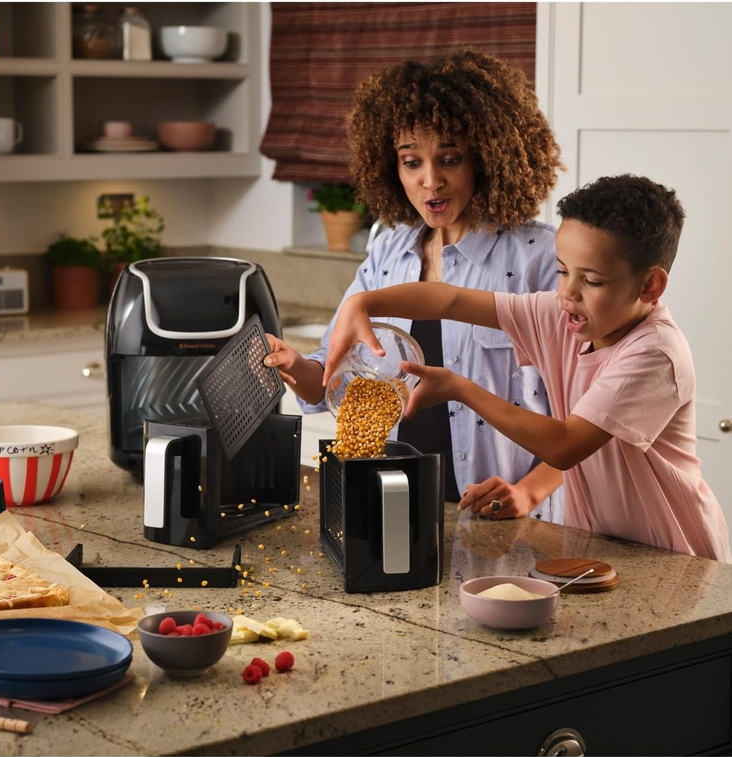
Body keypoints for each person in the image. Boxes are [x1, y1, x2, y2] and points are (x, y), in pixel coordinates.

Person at [323, 174, 731, 563]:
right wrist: (364, 303)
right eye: (562, 271)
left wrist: (460, 388)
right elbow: (449, 300)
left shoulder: (654, 353)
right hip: (600, 545)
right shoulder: (560, 315)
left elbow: (564, 446)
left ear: (649, 286)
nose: (567, 293)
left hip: (674, 555)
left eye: (591, 281)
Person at [264, 50, 565, 522]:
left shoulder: (540, 258)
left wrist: (528, 492)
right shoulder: (389, 251)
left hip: (509, 516)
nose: (430, 181)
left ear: (488, 158)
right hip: (397, 506)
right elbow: (328, 381)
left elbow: (590, 422)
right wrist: (292, 364)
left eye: (451, 159)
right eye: (411, 161)